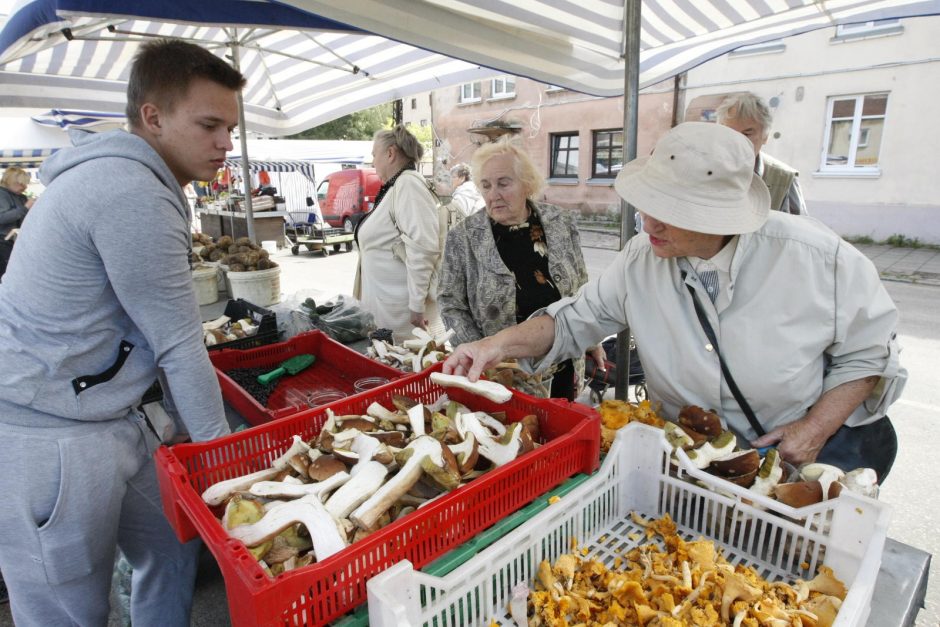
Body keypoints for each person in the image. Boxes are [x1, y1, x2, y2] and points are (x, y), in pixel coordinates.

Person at [444, 122, 905, 478]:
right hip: (689, 457)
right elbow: (571, 321)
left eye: (669, 213)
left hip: (791, 458)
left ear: (720, 215)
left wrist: (813, 431)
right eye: (647, 206)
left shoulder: (816, 258)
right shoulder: (641, 260)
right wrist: (494, 346)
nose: (649, 225)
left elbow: (868, 355)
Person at [0, 39, 245, 626]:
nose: (226, 145)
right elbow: (181, 345)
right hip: (50, 434)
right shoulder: (129, 191)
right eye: (210, 125)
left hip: (117, 418)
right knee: (70, 610)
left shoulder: (136, 180)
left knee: (172, 543)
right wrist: (225, 465)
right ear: (153, 118)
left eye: (231, 129)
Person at [438, 139, 602, 400]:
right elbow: (450, 304)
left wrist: (591, 340)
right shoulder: (463, 237)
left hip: (564, 365)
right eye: (486, 185)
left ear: (527, 183)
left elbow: (582, 286)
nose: (494, 194)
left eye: (504, 183)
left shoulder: (561, 222)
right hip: (501, 377)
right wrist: (478, 351)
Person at [354, 125, 444, 341]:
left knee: (403, 369)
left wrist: (416, 306)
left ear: (391, 153)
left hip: (402, 317)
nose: (373, 162)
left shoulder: (408, 185)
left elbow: (424, 248)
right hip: (389, 310)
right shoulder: (397, 186)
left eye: (375, 155)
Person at [717, 92, 807, 216]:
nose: (736, 141)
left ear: (765, 136)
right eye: (729, 132)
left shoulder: (784, 180)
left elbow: (797, 231)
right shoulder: (703, 170)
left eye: (747, 134)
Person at [0, 166, 33, 278]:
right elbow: (2, 218)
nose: (25, 187)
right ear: (11, 181)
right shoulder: (1, 195)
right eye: (22, 184)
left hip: (17, 241)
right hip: (3, 242)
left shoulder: (22, 197)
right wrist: (25, 208)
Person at [445, 162, 484, 227]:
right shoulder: (470, 190)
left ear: (462, 178)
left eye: (453, 177)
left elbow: (459, 217)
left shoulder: (465, 193)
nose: (451, 180)